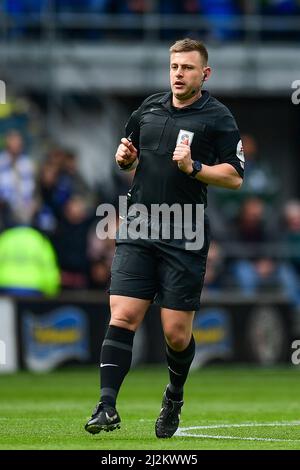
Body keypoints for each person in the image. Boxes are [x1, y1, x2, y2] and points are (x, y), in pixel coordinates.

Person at [85, 38, 244, 438]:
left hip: (185, 231)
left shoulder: (218, 117)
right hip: (139, 225)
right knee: (122, 315)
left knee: (176, 333)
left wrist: (195, 168)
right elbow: (130, 155)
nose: (179, 74)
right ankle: (106, 406)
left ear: (204, 74)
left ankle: (174, 395)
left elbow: (235, 177)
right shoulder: (149, 108)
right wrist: (126, 160)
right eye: (174, 66)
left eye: (188, 68)